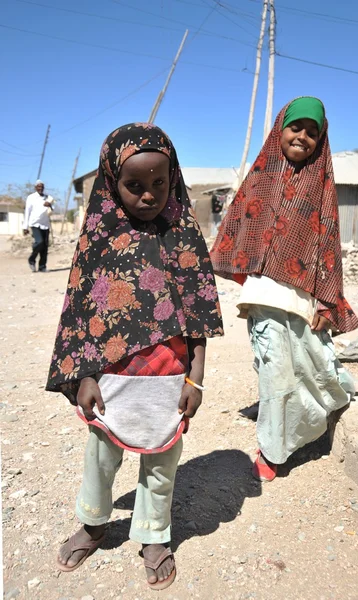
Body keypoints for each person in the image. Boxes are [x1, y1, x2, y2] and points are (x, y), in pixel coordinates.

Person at [46, 124, 223, 590]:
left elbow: (201, 313)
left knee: (162, 464)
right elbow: (82, 311)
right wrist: (85, 375)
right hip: (111, 380)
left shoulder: (183, 234)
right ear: (111, 183)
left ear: (174, 178)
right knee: (101, 456)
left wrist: (196, 379)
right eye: (135, 186)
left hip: (169, 378)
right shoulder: (99, 238)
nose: (149, 196)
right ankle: (94, 523)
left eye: (159, 184)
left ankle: (153, 535)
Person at [210, 97, 358, 482]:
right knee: (275, 368)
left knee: (313, 363)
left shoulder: (321, 186)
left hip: (303, 296)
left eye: (313, 132)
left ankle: (324, 409)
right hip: (264, 295)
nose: (303, 137)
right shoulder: (261, 176)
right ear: (280, 129)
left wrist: (329, 300)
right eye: (296, 128)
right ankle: (274, 450)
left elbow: (328, 242)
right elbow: (241, 223)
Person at [23, 179, 54, 272]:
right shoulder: (31, 197)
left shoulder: (48, 197)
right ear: (35, 187)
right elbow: (27, 211)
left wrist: (50, 205)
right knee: (39, 242)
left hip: (45, 224)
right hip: (35, 223)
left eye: (42, 187)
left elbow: (52, 210)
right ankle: (31, 259)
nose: (40, 188)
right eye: (38, 186)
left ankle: (42, 266)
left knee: (45, 246)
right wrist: (25, 227)